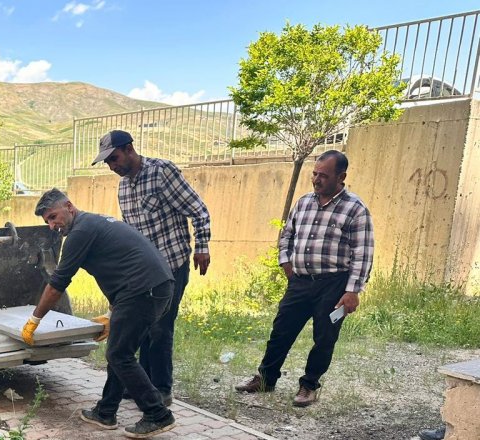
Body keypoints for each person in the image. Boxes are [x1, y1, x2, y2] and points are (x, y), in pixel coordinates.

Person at [21, 189, 176, 439]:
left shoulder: (79, 233)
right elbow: (119, 268)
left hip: (142, 291)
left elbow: (58, 283)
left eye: (53, 217)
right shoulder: (92, 223)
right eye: (47, 221)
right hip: (154, 287)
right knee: (120, 352)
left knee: (119, 354)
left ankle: (157, 414)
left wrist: (34, 320)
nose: (52, 225)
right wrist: (111, 314)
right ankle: (106, 412)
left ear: (69, 206)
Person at [236, 150, 374, 407]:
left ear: (341, 177)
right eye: (314, 174)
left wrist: (352, 291)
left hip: (334, 285)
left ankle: (309, 385)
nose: (316, 180)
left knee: (324, 338)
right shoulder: (303, 203)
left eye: (324, 175)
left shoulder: (355, 209)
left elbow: (363, 253)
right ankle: (266, 378)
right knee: (281, 330)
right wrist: (285, 262)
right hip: (299, 282)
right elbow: (287, 235)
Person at [93, 130, 211, 407]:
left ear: (129, 149)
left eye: (114, 158)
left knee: (160, 328)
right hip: (143, 273)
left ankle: (161, 389)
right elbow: (130, 235)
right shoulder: (123, 187)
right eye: (107, 162)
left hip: (171, 265)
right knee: (141, 327)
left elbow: (198, 210)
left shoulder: (162, 172)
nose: (111, 166)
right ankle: (142, 386)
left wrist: (202, 247)